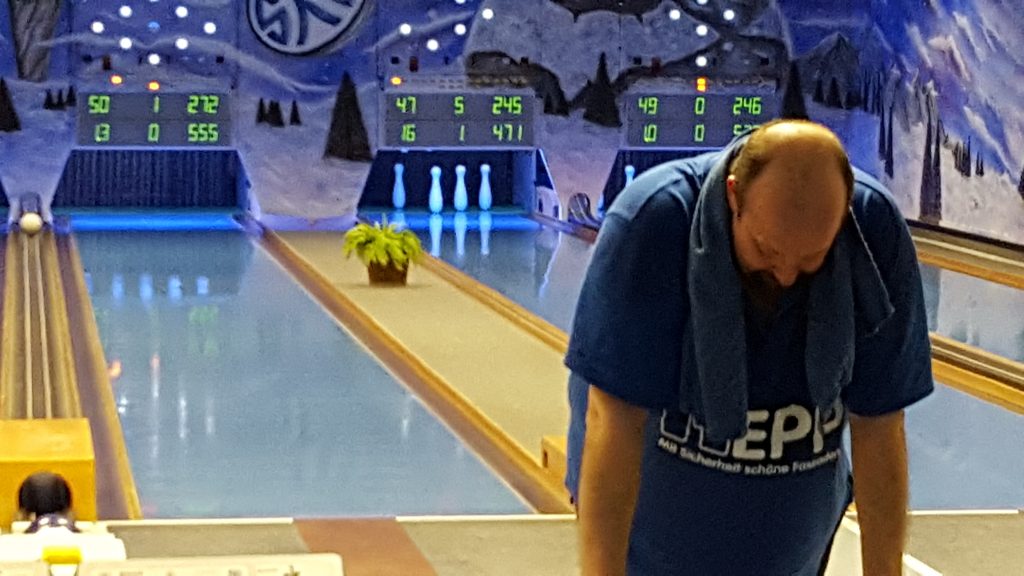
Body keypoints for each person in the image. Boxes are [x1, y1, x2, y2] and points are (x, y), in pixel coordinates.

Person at [564, 119, 934, 576]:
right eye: (766, 250)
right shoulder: (653, 220)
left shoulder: (873, 231)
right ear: (734, 196)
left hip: (795, 549)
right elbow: (612, 422)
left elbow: (879, 427)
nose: (786, 275)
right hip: (649, 547)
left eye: (811, 258)